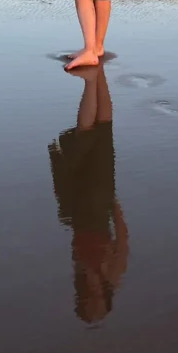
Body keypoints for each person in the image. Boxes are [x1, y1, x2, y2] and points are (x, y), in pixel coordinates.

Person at [48, 67, 129, 324]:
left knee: (93, 134)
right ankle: (95, 76)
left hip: (85, 205)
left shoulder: (82, 273)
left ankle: (94, 77)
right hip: (98, 201)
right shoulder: (111, 277)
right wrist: (114, 204)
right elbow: (123, 241)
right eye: (97, 307)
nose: (92, 302)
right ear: (105, 304)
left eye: (88, 306)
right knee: (101, 131)